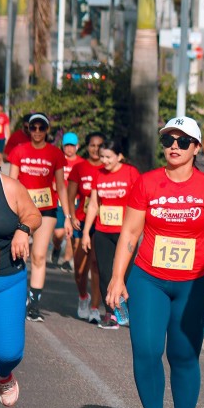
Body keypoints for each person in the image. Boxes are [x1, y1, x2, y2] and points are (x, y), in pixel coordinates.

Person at [106, 116, 204, 408]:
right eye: (168, 140)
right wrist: (118, 278)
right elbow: (130, 233)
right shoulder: (146, 183)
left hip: (194, 283)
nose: (174, 146)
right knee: (146, 350)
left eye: (183, 141)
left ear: (196, 147)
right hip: (149, 279)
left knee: (183, 353)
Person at [8, 113, 73, 322]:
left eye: (41, 128)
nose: (37, 131)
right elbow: (12, 181)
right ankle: (15, 295)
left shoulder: (55, 153)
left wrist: (68, 216)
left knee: (38, 256)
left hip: (46, 211)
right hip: (22, 210)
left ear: (47, 130)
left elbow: (61, 186)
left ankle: (34, 304)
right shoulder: (19, 151)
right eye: (33, 128)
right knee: (18, 254)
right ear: (29, 129)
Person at [0, 152, 42, 406]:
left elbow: (34, 215)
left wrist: (23, 230)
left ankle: (3, 374)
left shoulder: (10, 188)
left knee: (9, 352)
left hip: (7, 279)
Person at [82, 139, 139, 329]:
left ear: (119, 156)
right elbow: (93, 205)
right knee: (105, 273)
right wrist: (85, 233)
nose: (104, 161)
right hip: (103, 231)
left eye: (108, 157)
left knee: (125, 274)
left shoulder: (131, 173)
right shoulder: (99, 174)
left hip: (125, 233)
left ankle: (127, 309)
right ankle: (111, 313)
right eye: (102, 157)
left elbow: (140, 203)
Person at [67, 131, 105, 324]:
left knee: (96, 265)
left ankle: (94, 308)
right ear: (87, 146)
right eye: (92, 145)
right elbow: (71, 195)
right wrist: (71, 216)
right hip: (81, 222)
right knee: (80, 269)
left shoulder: (108, 169)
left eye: (99, 146)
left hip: (102, 224)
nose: (96, 149)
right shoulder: (80, 168)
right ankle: (83, 296)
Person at [51, 132, 81, 271]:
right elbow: (52, 181)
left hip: (76, 203)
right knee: (59, 234)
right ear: (62, 146)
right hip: (59, 201)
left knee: (71, 234)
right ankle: (56, 248)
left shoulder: (81, 163)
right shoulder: (57, 160)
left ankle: (67, 261)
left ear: (77, 146)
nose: (69, 148)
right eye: (66, 146)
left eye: (72, 146)